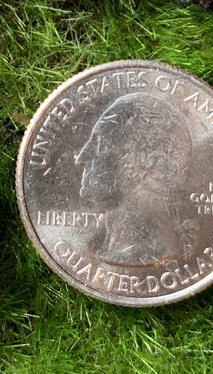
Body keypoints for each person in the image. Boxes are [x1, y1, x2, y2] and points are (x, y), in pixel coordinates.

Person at [74, 92, 195, 267]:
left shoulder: (146, 253)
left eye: (102, 143)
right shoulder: (114, 248)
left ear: (150, 161)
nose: (82, 157)